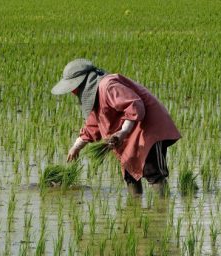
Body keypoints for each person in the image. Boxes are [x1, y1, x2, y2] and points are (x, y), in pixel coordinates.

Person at [51, 59, 181, 196]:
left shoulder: (108, 86)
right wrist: (76, 146)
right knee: (130, 175)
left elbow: (135, 105)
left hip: (148, 128)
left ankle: (163, 210)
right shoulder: (95, 95)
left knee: (152, 172)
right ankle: (134, 211)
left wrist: (123, 131)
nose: (72, 91)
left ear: (82, 82)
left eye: (73, 87)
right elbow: (93, 124)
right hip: (129, 134)